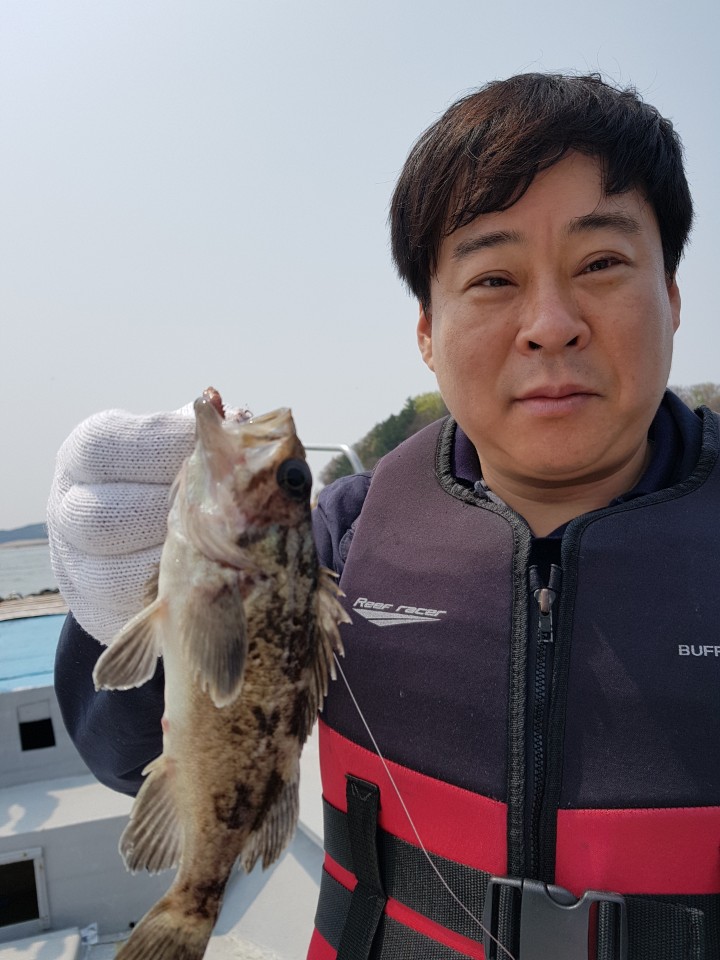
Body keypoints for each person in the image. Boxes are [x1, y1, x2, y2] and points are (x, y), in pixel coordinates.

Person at [48, 73, 720, 960]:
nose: (551, 324)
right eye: (493, 276)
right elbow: (124, 753)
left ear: (672, 295)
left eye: (600, 263)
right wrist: (112, 606)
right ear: (427, 334)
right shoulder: (343, 534)